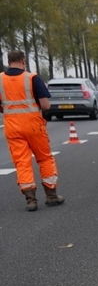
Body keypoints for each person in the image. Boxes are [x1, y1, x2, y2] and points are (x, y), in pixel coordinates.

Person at [0, 50, 63, 210]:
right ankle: (51, 196)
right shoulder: (32, 78)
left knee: (22, 162)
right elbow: (45, 105)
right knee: (44, 159)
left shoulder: (0, 79)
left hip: (12, 127)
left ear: (8, 61)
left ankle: (31, 201)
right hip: (34, 125)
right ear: (23, 61)